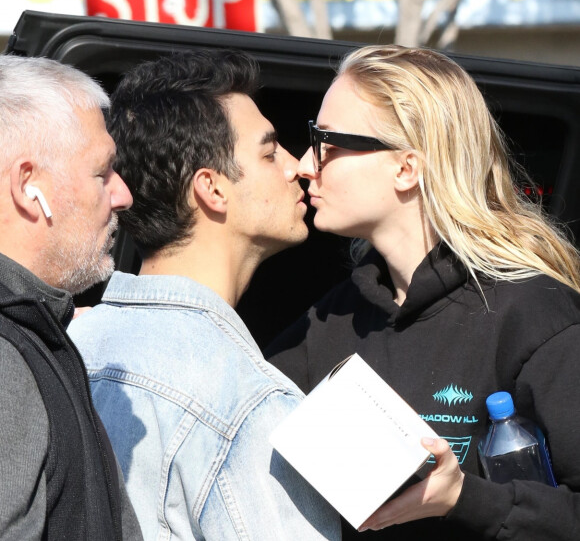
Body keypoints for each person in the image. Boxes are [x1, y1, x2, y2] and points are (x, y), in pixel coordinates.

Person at [265, 44, 580, 541]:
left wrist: (462, 498)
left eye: (325, 142)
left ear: (407, 168)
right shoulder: (331, 320)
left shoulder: (534, 313)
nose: (306, 163)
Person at [68, 50, 341, 541]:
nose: (296, 167)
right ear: (212, 189)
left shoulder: (67, 345)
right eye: (269, 150)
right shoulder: (252, 405)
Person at [0, 55, 141, 540]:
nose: (121, 194)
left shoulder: (29, 327)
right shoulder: (5, 354)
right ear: (27, 185)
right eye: (102, 173)